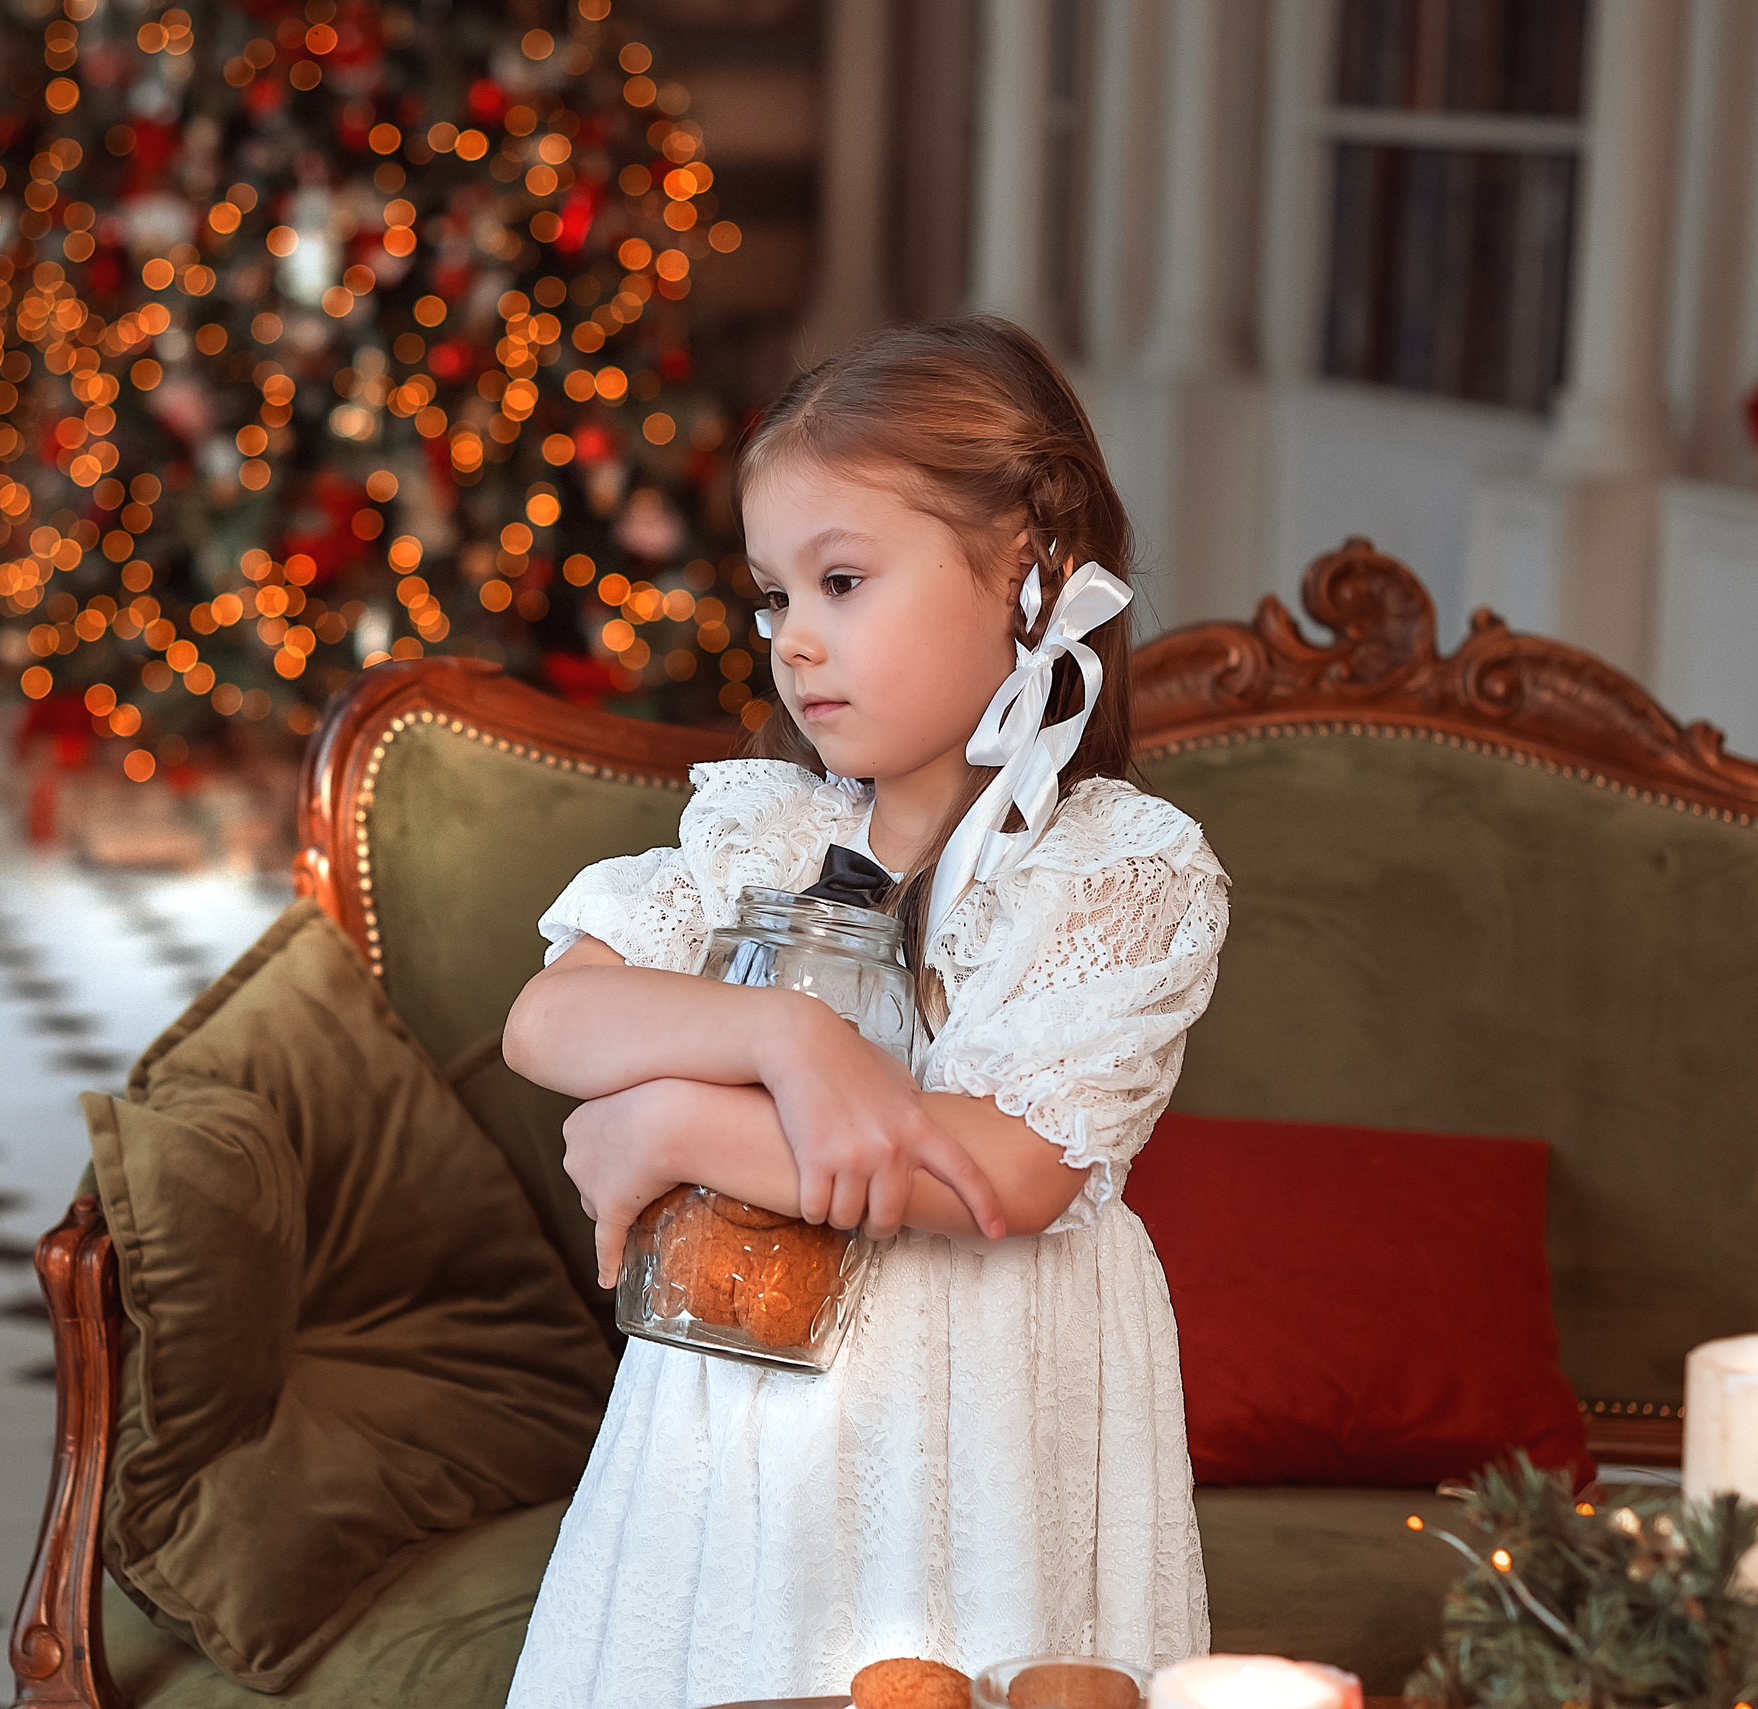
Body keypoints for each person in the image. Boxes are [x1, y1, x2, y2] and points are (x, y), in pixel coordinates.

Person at [500, 315, 1230, 1707]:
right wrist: (785, 1037)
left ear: (1030, 569)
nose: (796, 640)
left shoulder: (1118, 869)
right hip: (744, 1413)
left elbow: (1003, 1170)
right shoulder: (763, 834)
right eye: (774, 596)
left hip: (999, 1420)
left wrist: (668, 1123)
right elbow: (552, 1018)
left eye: (842, 580)